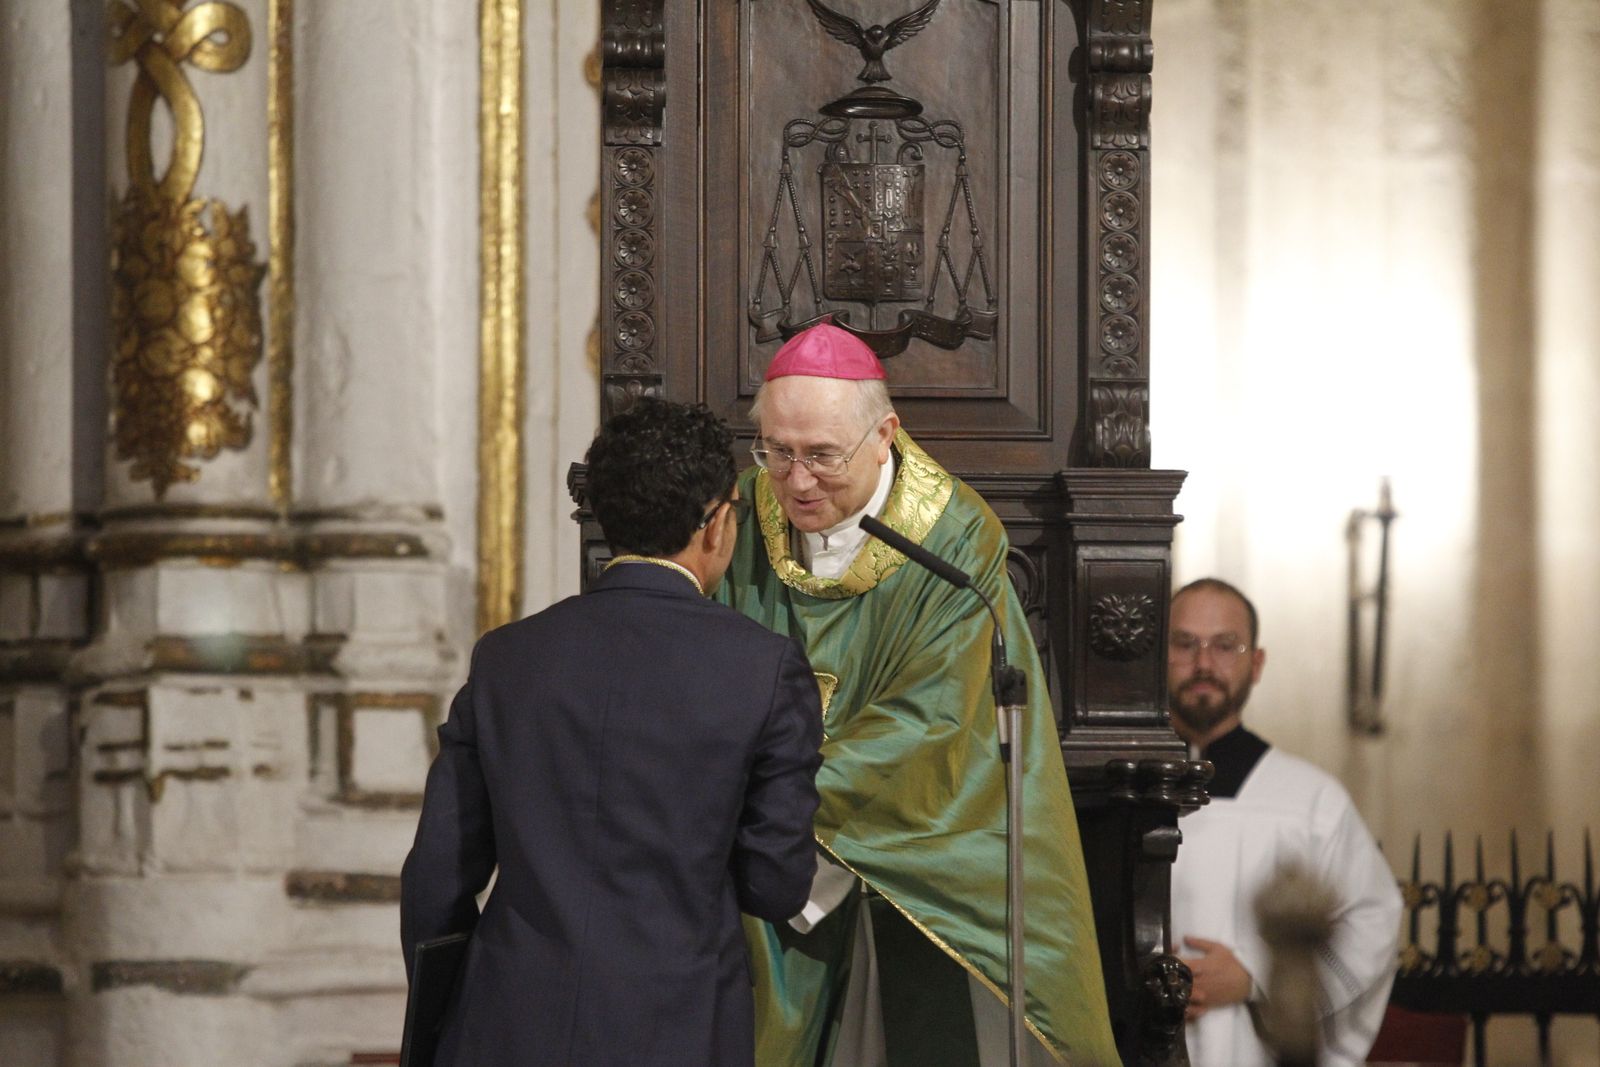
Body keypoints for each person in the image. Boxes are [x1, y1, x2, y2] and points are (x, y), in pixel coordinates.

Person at [716, 322, 1121, 1067]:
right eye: (776, 451)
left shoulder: (955, 538)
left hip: (914, 841)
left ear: (884, 436)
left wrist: (763, 805)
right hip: (762, 844)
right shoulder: (738, 516)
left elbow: (932, 720)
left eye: (821, 455)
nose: (796, 481)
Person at [400, 399, 824, 1067]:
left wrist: (443, 1019)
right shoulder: (764, 670)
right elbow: (775, 885)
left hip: (502, 1027)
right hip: (678, 1030)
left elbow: (435, 876)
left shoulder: (507, 657)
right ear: (716, 523)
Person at [1165, 577, 1402, 1067]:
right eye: (1184, 643)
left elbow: (1374, 918)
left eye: (1225, 645)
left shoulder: (1311, 800)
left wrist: (1258, 979)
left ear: (1256, 664)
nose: (1203, 663)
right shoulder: (1113, 791)